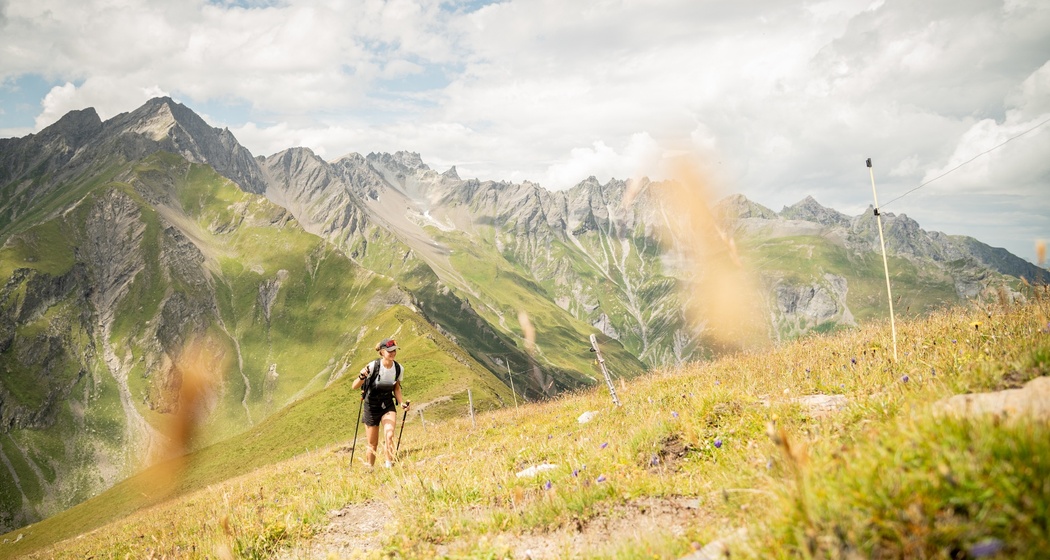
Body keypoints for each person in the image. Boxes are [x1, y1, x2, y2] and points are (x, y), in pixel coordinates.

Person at [351, 338, 409, 468]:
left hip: (387, 405)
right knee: (373, 444)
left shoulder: (399, 369)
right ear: (382, 352)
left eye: (394, 350)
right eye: (389, 351)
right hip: (371, 407)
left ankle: (389, 465)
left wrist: (401, 403)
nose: (393, 353)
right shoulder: (373, 366)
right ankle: (369, 468)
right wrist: (361, 377)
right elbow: (354, 386)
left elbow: (397, 388)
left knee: (389, 435)